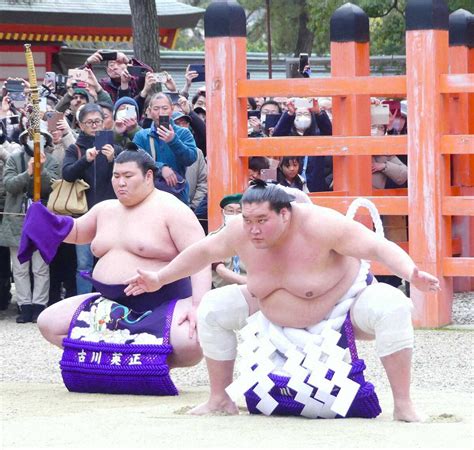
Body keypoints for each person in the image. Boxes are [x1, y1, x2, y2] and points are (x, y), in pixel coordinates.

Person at [125, 181, 440, 422]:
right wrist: (160, 277)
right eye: (248, 220)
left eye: (262, 220)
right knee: (213, 307)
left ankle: (403, 404)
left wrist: (411, 273)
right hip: (269, 309)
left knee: (392, 305)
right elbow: (203, 252)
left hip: (340, 306)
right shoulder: (241, 232)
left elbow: (377, 247)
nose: (253, 229)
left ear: (285, 214)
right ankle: (219, 398)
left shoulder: (322, 225)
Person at [33, 148, 210, 371]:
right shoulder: (105, 209)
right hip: (108, 302)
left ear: (148, 176)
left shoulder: (172, 209)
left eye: (128, 176)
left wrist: (198, 304)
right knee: (49, 323)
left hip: (161, 301)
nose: (120, 183)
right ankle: (112, 363)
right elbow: (76, 232)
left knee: (191, 343)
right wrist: (42, 218)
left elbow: (201, 257)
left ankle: (149, 364)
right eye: (116, 176)